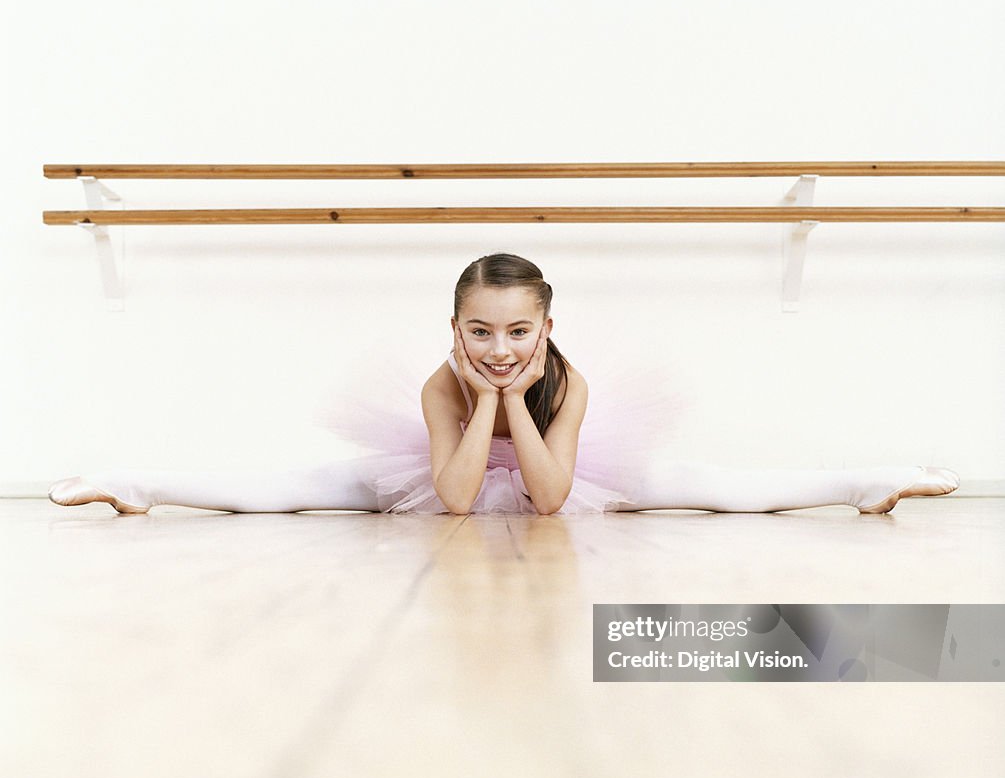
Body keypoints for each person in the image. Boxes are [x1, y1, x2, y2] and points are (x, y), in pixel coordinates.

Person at [48, 253, 959, 517]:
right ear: (454, 331)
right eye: (478, 333)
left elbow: (551, 497)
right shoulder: (443, 387)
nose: (496, 346)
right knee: (293, 489)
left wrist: (520, 396)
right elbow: (449, 501)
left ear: (546, 331)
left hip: (556, 464)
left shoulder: (571, 381)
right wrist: (481, 396)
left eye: (515, 334)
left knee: (711, 486)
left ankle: (858, 480)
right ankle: (140, 482)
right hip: (442, 468)